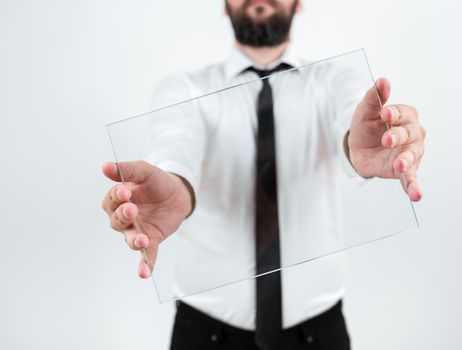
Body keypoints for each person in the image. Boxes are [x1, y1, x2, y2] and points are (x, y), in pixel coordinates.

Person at [101, 0, 426, 349]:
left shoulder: (336, 79)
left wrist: (360, 145)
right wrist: (175, 189)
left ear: (299, 4)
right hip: (204, 331)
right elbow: (175, 151)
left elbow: (351, 125)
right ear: (224, 6)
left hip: (318, 330)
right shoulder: (183, 89)